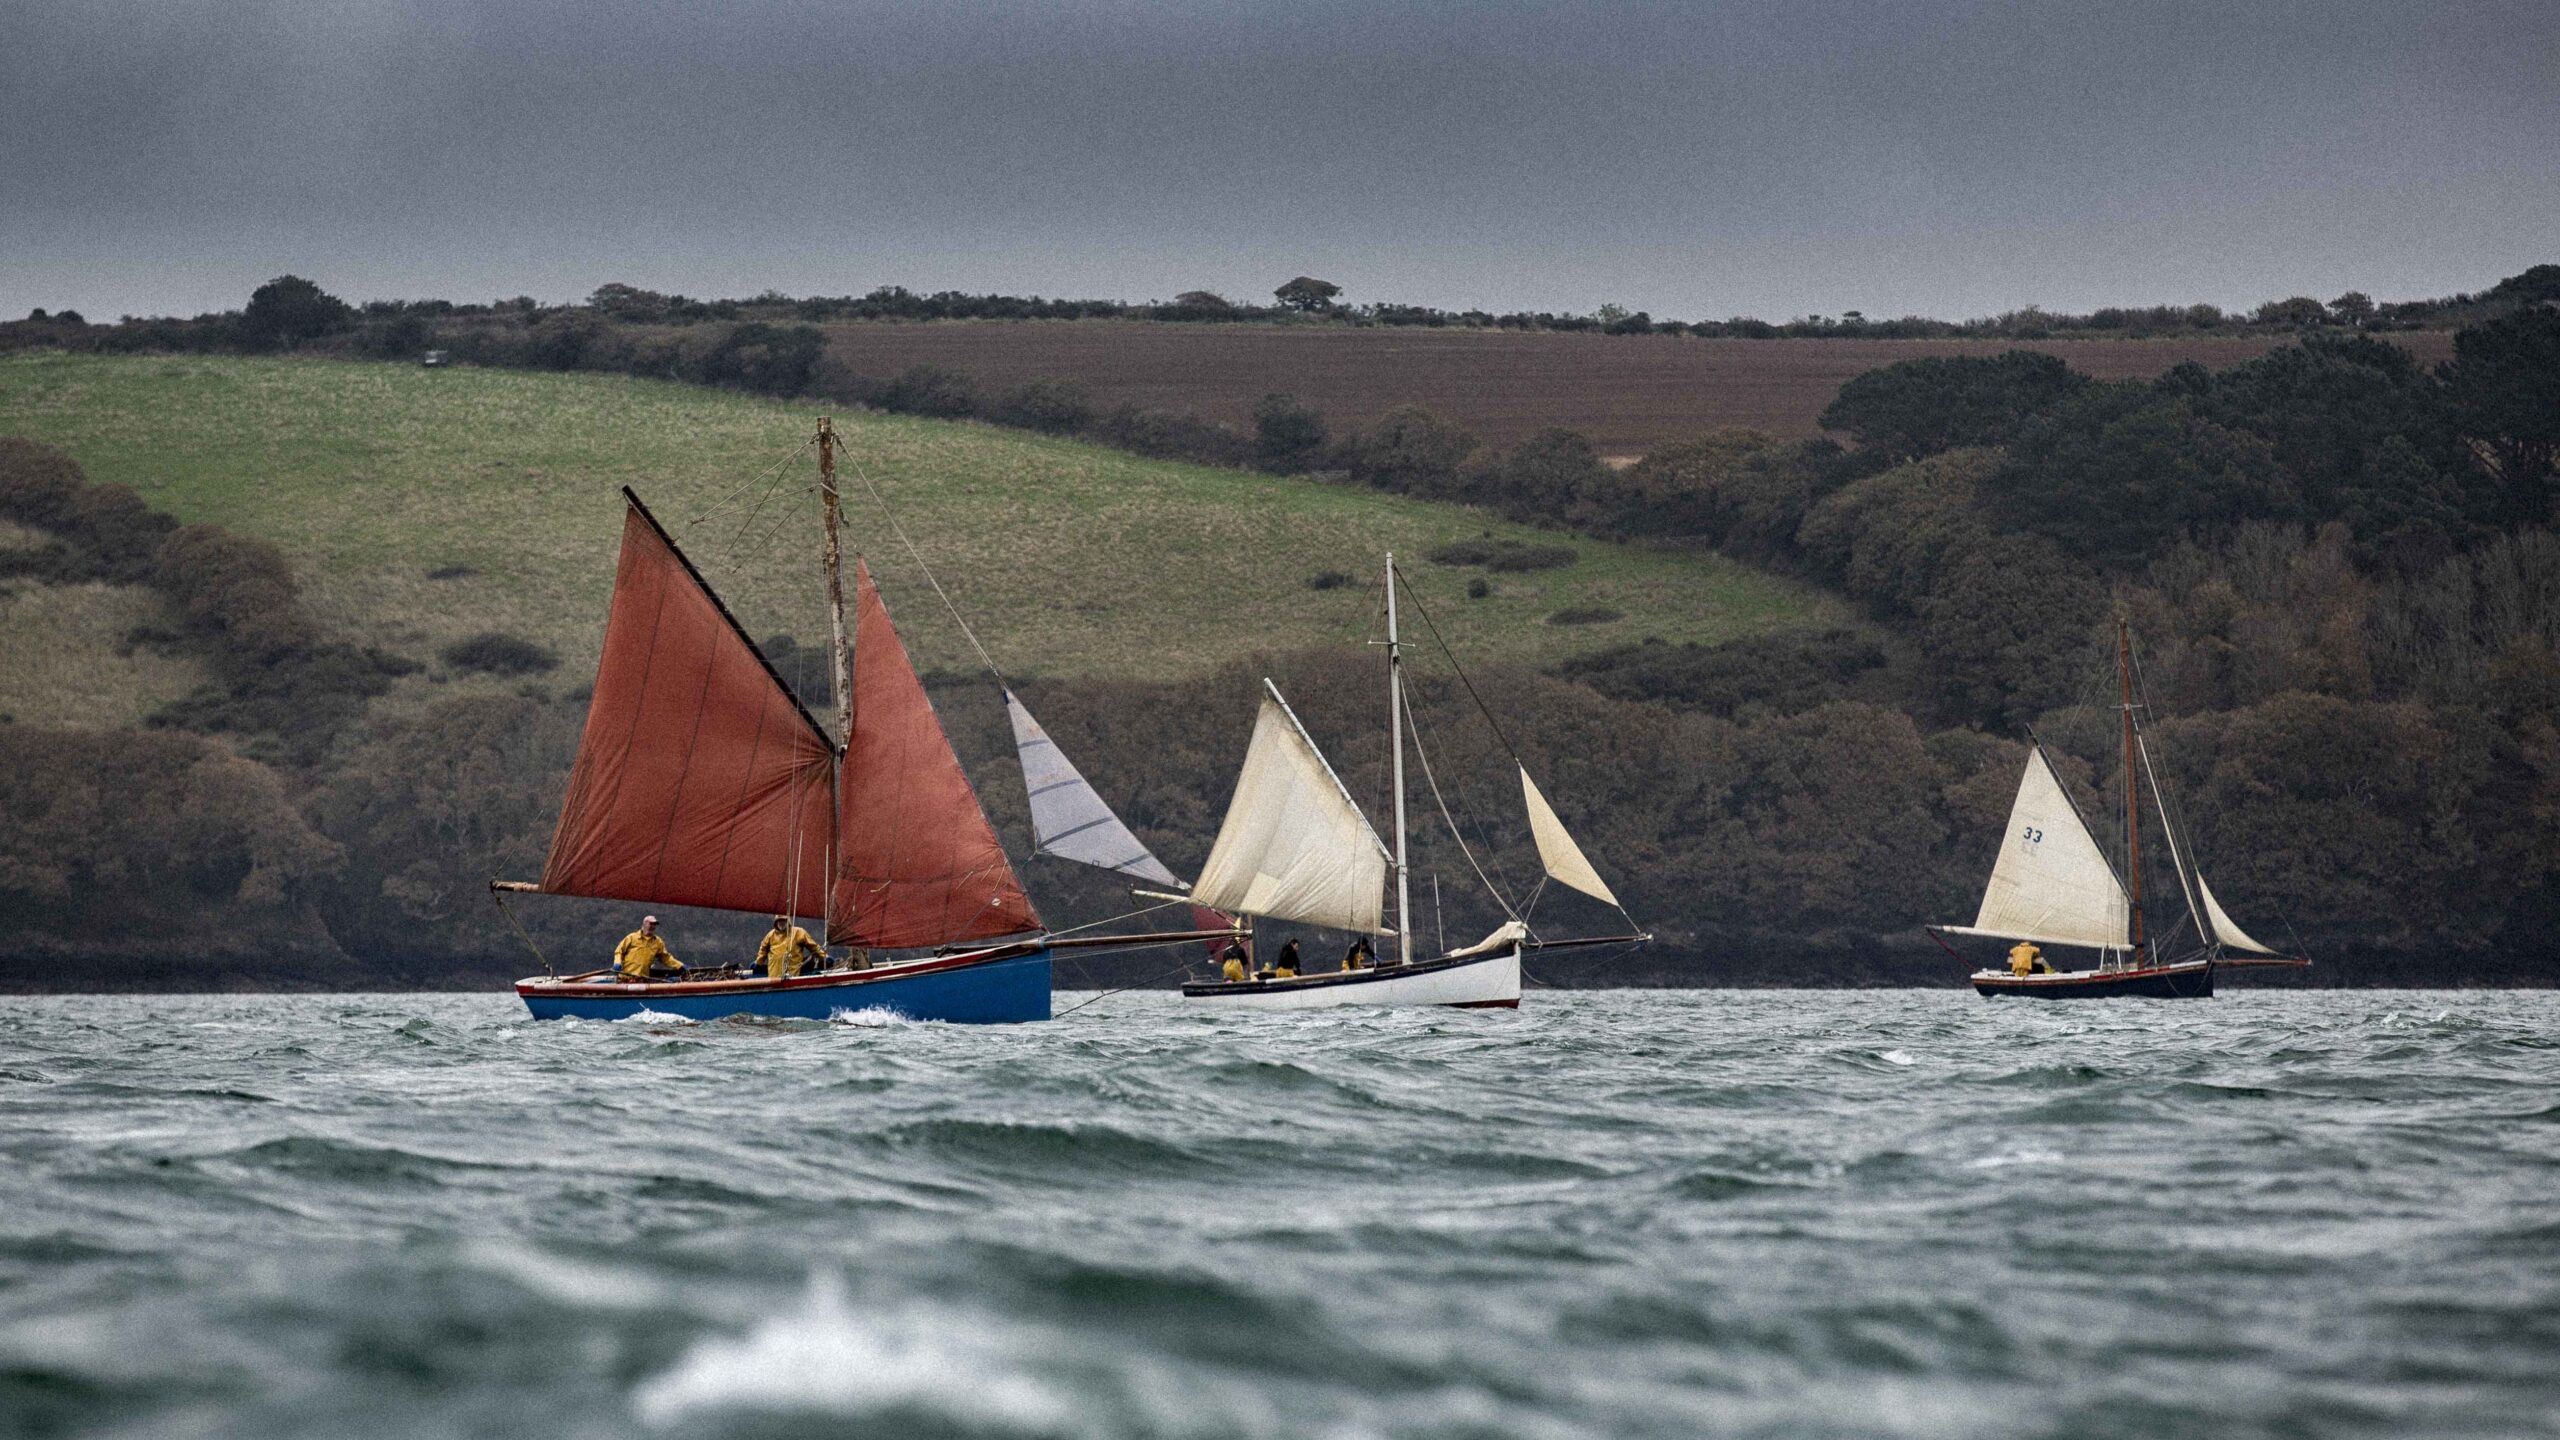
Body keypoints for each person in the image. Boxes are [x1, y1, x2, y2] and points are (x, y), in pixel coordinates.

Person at [614, 916, 683, 981]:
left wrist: (680, 966)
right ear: (644, 924)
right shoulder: (632, 937)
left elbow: (666, 958)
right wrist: (617, 962)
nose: (652, 926)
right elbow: (619, 951)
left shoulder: (657, 942)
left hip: (642, 979)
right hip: (626, 978)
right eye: (650, 924)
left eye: (654, 924)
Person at [754, 915, 823, 978]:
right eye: (779, 921)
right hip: (774, 975)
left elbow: (813, 947)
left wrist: (824, 957)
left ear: (788, 921)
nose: (781, 923)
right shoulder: (770, 935)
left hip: (793, 974)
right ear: (776, 923)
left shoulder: (798, 932)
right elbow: (763, 950)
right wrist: (758, 962)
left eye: (783, 920)